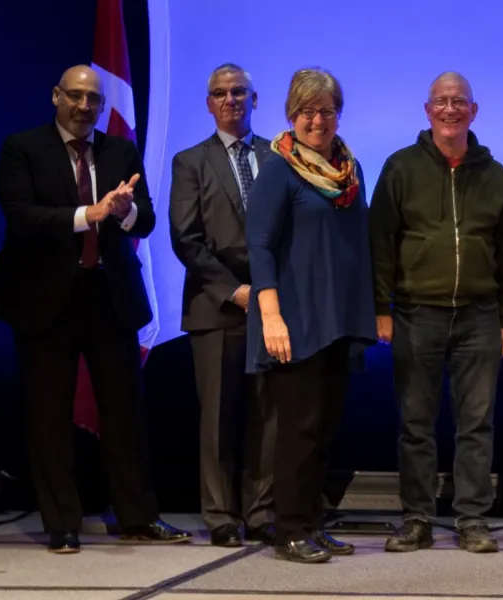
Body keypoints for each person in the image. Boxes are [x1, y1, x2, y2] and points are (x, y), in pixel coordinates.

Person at [0, 64, 191, 553]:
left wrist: (125, 212)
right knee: (48, 418)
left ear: (103, 106)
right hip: (44, 299)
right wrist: (89, 214)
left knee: (126, 416)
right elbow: (22, 216)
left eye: (93, 100)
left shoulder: (119, 149)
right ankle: (62, 523)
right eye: (75, 97)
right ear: (56, 96)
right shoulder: (23, 148)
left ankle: (139, 517)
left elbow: (146, 221)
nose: (84, 107)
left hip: (110, 297)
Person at [370, 72, 503, 555]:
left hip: (480, 316)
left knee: (476, 423)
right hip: (416, 313)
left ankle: (472, 518)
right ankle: (416, 518)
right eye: (442, 101)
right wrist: (381, 308)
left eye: (460, 102)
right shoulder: (400, 167)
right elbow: (380, 244)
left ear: (473, 111)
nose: (450, 109)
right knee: (416, 423)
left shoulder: (494, 173)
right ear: (428, 109)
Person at [246, 67, 377, 564]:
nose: (317, 120)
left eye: (326, 110)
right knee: (297, 429)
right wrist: (271, 315)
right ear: (290, 115)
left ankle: (314, 522)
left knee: (323, 428)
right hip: (296, 319)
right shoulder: (278, 167)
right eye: (307, 111)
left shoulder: (351, 168)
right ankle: (290, 528)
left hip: (338, 318)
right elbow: (259, 244)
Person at [169, 62, 278, 547]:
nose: (231, 99)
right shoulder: (190, 161)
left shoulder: (280, 157)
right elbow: (186, 239)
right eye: (221, 93)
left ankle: (261, 513)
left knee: (268, 415)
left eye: (239, 92)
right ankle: (219, 516)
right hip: (217, 307)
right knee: (217, 419)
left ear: (256, 100)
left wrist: (272, 293)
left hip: (274, 307)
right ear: (209, 103)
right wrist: (235, 291)